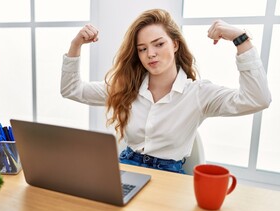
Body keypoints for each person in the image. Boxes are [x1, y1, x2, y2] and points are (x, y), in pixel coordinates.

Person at [60, 9, 271, 174]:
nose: (150, 54)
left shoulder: (197, 93)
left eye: (158, 44)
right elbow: (72, 89)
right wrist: (75, 45)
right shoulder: (126, 88)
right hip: (125, 168)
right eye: (142, 49)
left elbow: (257, 99)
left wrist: (241, 39)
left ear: (175, 45)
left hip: (169, 177)